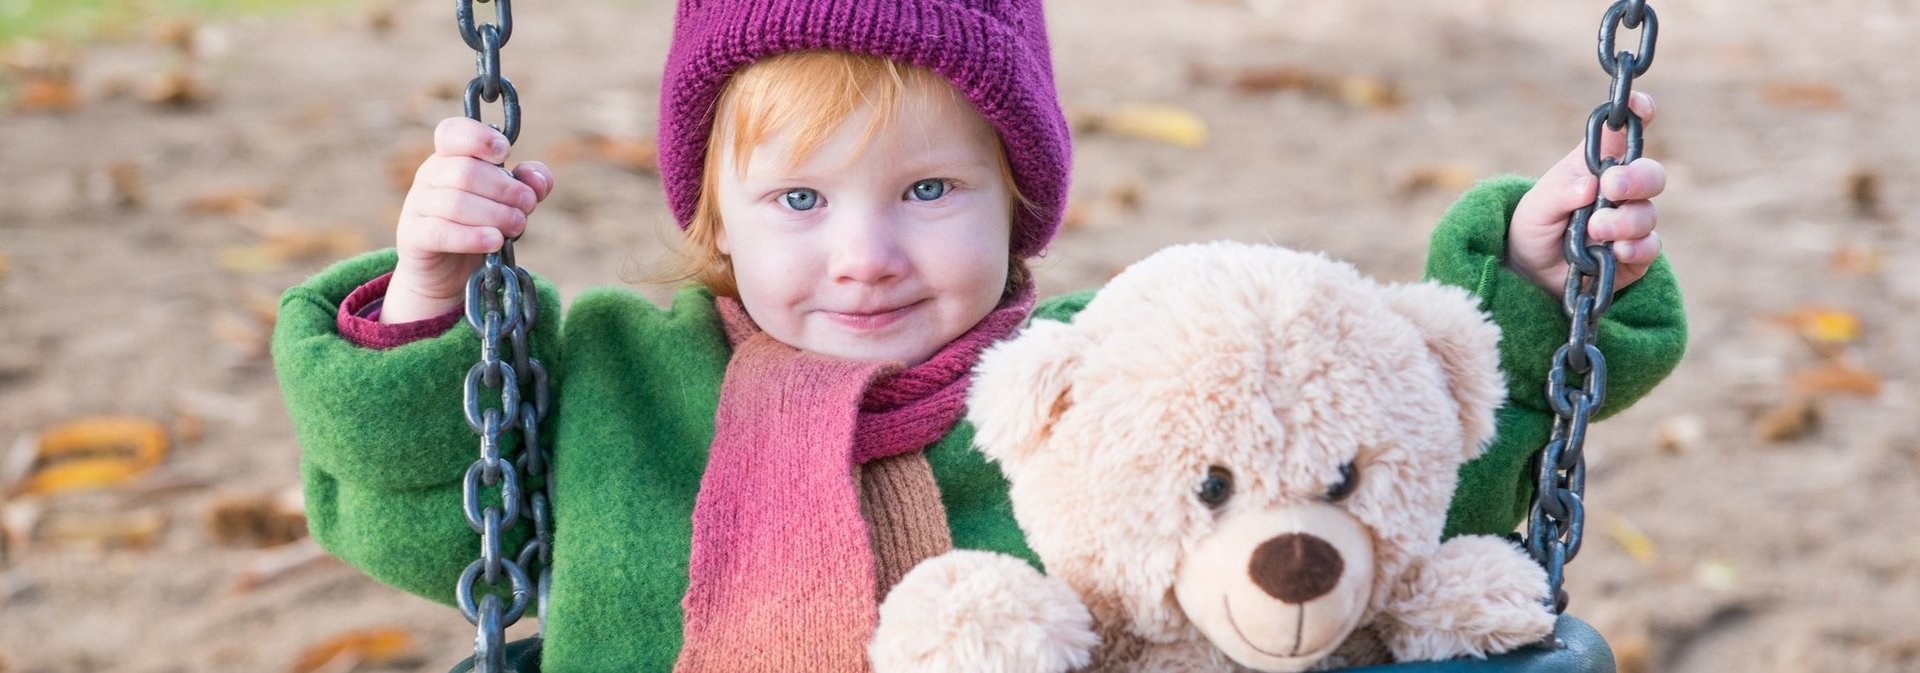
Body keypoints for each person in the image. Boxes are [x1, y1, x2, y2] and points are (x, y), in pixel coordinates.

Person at [271, 0, 1687, 670]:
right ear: (715, 208)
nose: (865, 252)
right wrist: (434, 295)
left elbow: (1374, 485)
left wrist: (1533, 285)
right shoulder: (618, 386)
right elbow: (436, 520)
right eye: (801, 197)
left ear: (1019, 198)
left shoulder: (1110, 373)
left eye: (930, 190)